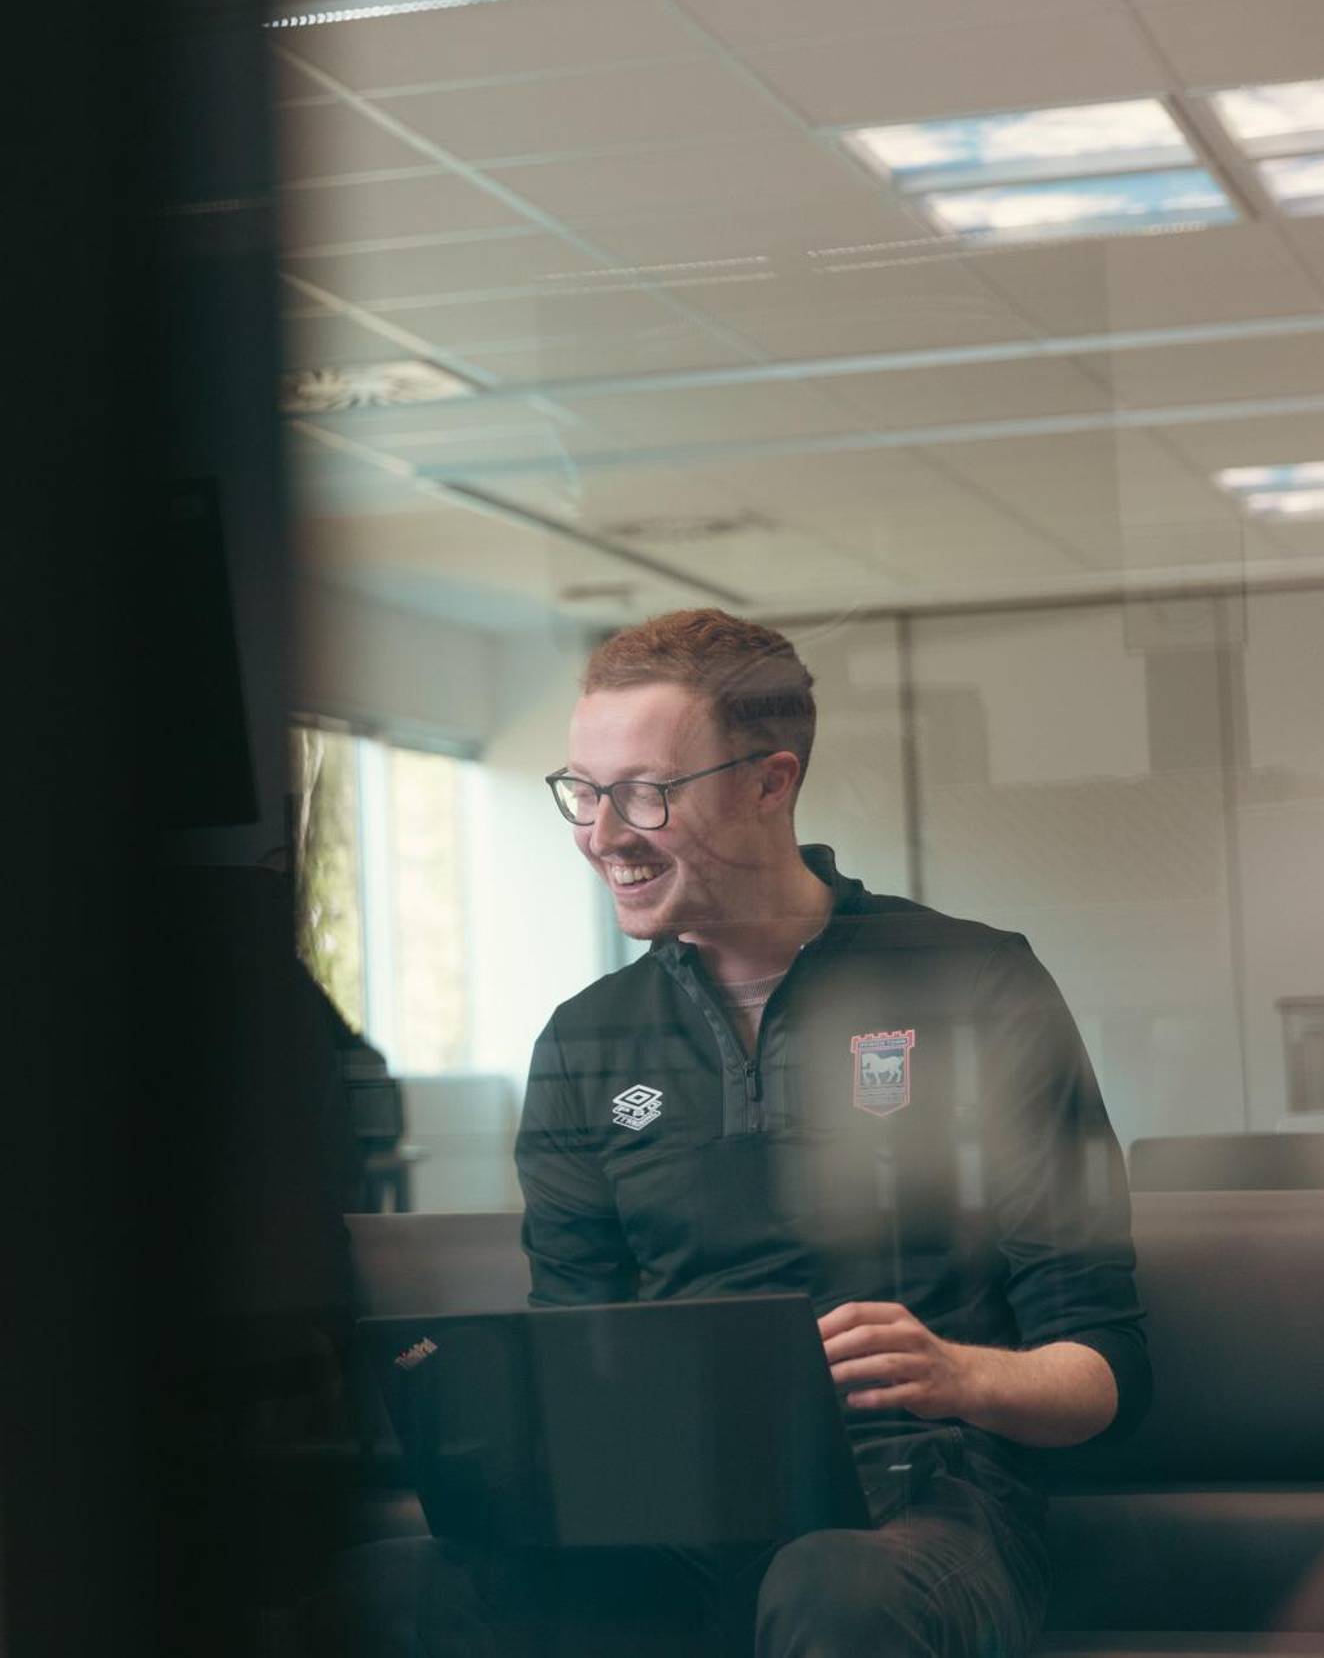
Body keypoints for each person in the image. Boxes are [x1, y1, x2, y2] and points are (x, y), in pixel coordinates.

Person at [300, 607, 1148, 1658]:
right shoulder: (585, 1039)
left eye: (644, 793)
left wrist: (958, 1372)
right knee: (388, 1589)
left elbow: (1106, 1369)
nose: (603, 834)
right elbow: (576, 1350)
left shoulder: (978, 983)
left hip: (922, 1505)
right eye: (583, 791)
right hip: (668, 1524)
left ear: (768, 783)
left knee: (832, 1589)